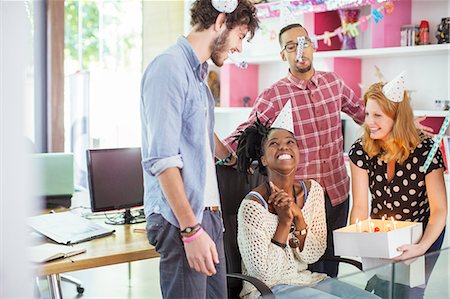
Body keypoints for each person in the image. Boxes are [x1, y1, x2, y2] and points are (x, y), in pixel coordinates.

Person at [217, 22, 434, 277]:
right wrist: (215, 149)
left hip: (337, 195)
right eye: (290, 46)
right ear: (282, 55)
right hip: (302, 201)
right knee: (302, 270)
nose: (300, 51)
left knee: (329, 271)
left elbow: (365, 116)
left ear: (313, 46)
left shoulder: (334, 83)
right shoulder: (274, 95)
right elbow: (244, 135)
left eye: (304, 43)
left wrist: (404, 124)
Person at [140, 0, 259, 298]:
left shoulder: (198, 74)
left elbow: (199, 132)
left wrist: (229, 156)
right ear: (221, 22)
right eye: (240, 37)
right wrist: (190, 229)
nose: (239, 48)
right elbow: (163, 160)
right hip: (183, 217)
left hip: (207, 212)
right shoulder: (169, 67)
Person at [234, 102, 380, 299]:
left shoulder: (313, 191)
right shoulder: (252, 206)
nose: (283, 147)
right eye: (274, 144)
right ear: (264, 160)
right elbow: (263, 275)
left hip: (307, 280)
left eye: (290, 142)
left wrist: (298, 216)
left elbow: (313, 254)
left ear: (299, 154)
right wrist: (285, 222)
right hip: (266, 291)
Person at [348, 74, 447, 298]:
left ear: (397, 118)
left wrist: (420, 247)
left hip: (424, 234)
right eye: (367, 114)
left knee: (410, 293)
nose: (369, 122)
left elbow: (440, 210)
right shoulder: (361, 150)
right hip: (380, 235)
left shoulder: (426, 151)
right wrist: (360, 236)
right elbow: (361, 206)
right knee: (382, 291)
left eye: (377, 115)